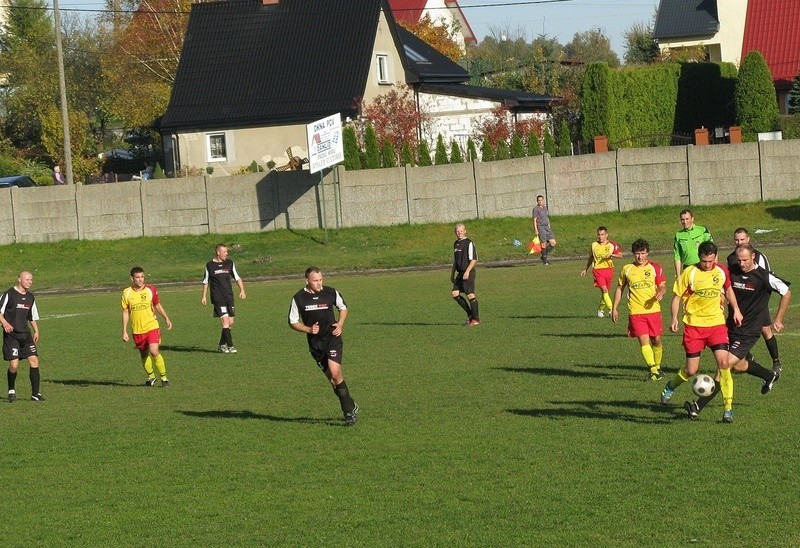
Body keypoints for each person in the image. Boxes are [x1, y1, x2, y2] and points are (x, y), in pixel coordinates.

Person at [684, 244, 791, 419]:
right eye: (739, 260)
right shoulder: (731, 270)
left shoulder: (764, 276)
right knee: (739, 365)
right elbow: (723, 286)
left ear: (753, 256)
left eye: (745, 260)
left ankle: (697, 406)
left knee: (724, 365)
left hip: (749, 331)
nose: (741, 263)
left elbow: (786, 293)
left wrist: (778, 319)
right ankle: (769, 375)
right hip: (730, 326)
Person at [661, 241, 742, 423]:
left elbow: (728, 290)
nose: (708, 265)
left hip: (716, 325)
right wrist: (674, 318)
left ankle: (728, 409)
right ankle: (671, 386)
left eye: (711, 261)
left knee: (724, 364)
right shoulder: (689, 273)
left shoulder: (721, 270)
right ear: (700, 257)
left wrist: (735, 309)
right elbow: (676, 297)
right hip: (694, 326)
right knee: (692, 370)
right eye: (705, 261)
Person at [288, 267, 359, 426]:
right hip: (316, 344)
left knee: (335, 372)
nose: (319, 283)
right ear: (307, 281)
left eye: (321, 280)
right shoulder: (299, 298)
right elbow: (292, 321)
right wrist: (307, 329)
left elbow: (343, 307)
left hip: (332, 338)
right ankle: (350, 404)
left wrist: (340, 324)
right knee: (334, 381)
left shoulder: (330, 292)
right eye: (315, 281)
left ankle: (348, 413)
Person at [726, 228, 785, 374]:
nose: (739, 242)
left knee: (765, 330)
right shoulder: (731, 258)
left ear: (748, 239)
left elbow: (764, 281)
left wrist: (760, 304)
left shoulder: (760, 257)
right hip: (740, 301)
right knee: (735, 328)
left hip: (757, 303)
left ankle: (776, 361)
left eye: (742, 239)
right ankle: (745, 357)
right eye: (736, 240)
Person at [611, 239, 667, 381]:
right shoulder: (627, 269)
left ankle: (658, 367)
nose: (640, 257)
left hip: (653, 310)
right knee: (644, 340)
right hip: (636, 311)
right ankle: (653, 371)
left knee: (657, 340)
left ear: (647, 253)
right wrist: (614, 307)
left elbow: (662, 285)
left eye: (642, 253)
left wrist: (661, 292)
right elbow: (620, 288)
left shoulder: (655, 267)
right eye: (637, 253)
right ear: (633, 254)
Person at [121, 266, 173, 387]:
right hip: (137, 330)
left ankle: (164, 378)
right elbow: (125, 312)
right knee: (144, 354)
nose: (140, 280)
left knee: (154, 351)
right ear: (132, 278)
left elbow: (157, 304)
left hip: (152, 326)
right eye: (137, 277)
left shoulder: (151, 290)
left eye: (142, 277)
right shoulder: (126, 292)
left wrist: (166, 318)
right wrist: (124, 331)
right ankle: (151, 377)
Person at [1, 271, 44, 402]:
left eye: (31, 279)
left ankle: (35, 394)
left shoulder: (30, 297)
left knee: (34, 361)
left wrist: (36, 331)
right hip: (12, 336)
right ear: (19, 279)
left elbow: (32, 316)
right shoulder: (9, 294)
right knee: (14, 365)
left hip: (26, 336)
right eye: (27, 279)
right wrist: (5, 322)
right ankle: (11, 390)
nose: (30, 281)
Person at [201, 243, 246, 353]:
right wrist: (204, 297)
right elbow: (206, 282)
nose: (227, 253)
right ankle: (230, 346)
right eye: (224, 251)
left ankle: (222, 344)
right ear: (218, 252)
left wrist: (242, 290)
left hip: (229, 297)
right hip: (218, 298)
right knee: (225, 320)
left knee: (230, 322)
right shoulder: (210, 266)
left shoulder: (229, 263)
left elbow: (237, 278)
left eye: (227, 251)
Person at [580, 226, 623, 318]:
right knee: (604, 290)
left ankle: (600, 309)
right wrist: (586, 269)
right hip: (597, 270)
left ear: (606, 235)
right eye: (599, 235)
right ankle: (612, 309)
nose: (600, 237)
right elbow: (591, 257)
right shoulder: (594, 245)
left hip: (609, 270)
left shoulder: (612, 244)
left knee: (606, 292)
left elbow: (620, 255)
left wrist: (611, 255)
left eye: (602, 234)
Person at [451, 223, 480, 326]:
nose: (459, 233)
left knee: (470, 294)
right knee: (455, 294)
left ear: (465, 231)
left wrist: (467, 271)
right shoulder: (456, 244)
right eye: (457, 231)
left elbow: (474, 259)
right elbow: (455, 261)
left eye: (461, 231)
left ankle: (475, 319)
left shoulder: (469, 243)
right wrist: (452, 274)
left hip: (468, 272)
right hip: (459, 273)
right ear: (455, 232)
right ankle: (470, 315)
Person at [673, 208, 713, 278]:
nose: (685, 222)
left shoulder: (702, 230)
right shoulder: (678, 235)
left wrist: (714, 267)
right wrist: (678, 276)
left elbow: (713, 250)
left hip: (702, 266)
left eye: (687, 219)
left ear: (692, 219)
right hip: (687, 268)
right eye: (682, 219)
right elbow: (677, 256)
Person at [532, 195, 556, 265]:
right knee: (543, 244)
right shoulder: (536, 209)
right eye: (539, 200)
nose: (540, 201)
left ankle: (543, 255)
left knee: (553, 242)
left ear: (543, 200)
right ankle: (545, 261)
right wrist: (536, 229)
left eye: (541, 200)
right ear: (537, 201)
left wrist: (549, 225)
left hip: (546, 227)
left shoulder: (545, 207)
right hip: (541, 227)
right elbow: (534, 219)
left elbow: (547, 217)